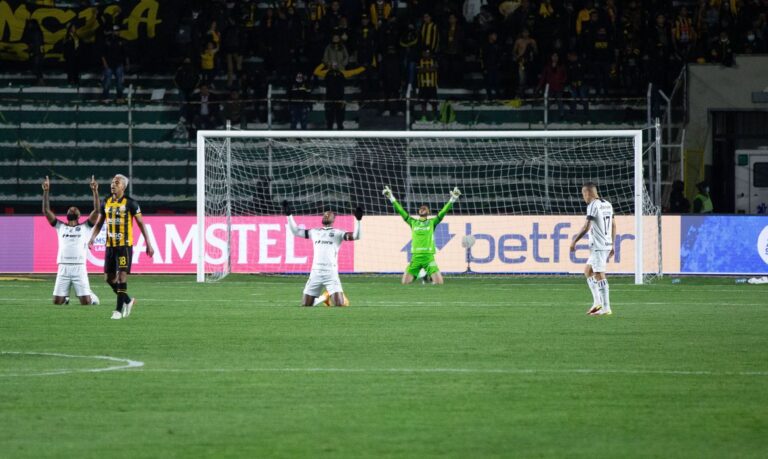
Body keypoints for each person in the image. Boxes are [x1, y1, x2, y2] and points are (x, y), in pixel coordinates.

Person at [88, 174, 155, 320]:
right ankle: (128, 300)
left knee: (121, 277)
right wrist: (92, 238)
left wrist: (148, 243)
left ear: (123, 187)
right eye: (112, 182)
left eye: (116, 183)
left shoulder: (131, 203)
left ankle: (118, 311)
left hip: (124, 246)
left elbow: (141, 224)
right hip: (110, 247)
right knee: (108, 278)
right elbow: (99, 223)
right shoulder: (106, 201)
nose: (113, 184)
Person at [285, 203, 363, 307]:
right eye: (325, 214)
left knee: (340, 305)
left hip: (330, 273)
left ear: (333, 219)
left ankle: (329, 295)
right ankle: (324, 297)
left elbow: (356, 236)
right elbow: (295, 231)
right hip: (315, 273)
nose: (326, 215)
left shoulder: (338, 233)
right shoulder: (315, 232)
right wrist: (289, 215)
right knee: (306, 305)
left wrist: (358, 220)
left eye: (329, 214)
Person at [382, 185, 461, 285]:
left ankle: (425, 273)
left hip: (428, 258)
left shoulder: (432, 222)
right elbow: (401, 211)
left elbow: (443, 212)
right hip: (415, 258)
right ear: (419, 212)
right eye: (421, 208)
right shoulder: (413, 222)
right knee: (405, 283)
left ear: (428, 212)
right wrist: (391, 197)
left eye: (425, 208)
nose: (423, 209)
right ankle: (422, 274)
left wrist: (453, 199)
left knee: (439, 283)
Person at [42, 176, 100, 306]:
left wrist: (95, 191)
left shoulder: (85, 227)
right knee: (57, 302)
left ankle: (91, 295)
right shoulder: (60, 226)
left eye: (75, 209)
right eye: (70, 208)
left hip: (79, 267)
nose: (72, 209)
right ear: (67, 214)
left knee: (86, 303)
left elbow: (97, 211)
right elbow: (46, 211)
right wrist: (46, 191)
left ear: (79, 216)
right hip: (63, 266)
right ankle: (65, 297)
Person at [569, 182, 615, 316]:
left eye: (583, 194)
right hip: (605, 244)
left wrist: (574, 241)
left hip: (598, 245)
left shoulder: (593, 205)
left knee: (599, 274)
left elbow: (586, 226)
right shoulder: (607, 204)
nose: (583, 198)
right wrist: (612, 244)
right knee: (588, 271)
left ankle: (606, 307)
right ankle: (597, 303)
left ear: (587, 193)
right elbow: (614, 225)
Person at [100, 25, 127, 102]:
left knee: (119, 82)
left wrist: (126, 64)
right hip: (109, 65)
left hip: (118, 64)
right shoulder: (107, 40)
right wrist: (105, 64)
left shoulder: (122, 41)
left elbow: (125, 53)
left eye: (118, 31)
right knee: (107, 81)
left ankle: (119, 97)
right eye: (115, 31)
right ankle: (105, 97)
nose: (116, 32)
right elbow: (102, 53)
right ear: (112, 32)